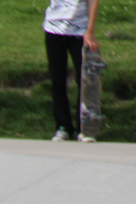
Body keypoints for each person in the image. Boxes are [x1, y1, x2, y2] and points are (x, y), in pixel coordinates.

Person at [43, 0, 100, 141]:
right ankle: (63, 127)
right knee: (57, 80)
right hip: (53, 29)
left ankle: (84, 128)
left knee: (84, 80)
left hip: (80, 31)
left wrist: (90, 31)